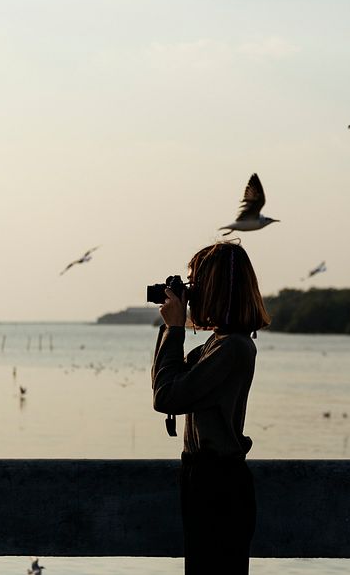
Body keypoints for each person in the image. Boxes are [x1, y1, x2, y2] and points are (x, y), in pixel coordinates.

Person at [151, 241, 271, 574]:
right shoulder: (218, 343)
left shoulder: (232, 348)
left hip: (218, 485)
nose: (190, 294)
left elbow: (167, 396)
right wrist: (170, 328)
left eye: (195, 284)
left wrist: (174, 328)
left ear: (215, 288)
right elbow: (169, 381)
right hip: (203, 478)